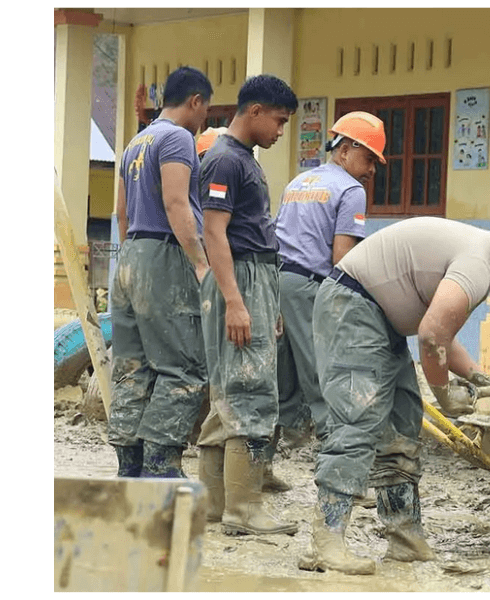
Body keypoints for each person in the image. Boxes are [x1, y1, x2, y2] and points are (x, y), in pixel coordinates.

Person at [298, 217, 490, 575]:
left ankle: (404, 538)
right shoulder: (477, 265)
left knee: (402, 422)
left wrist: (479, 376)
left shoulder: (480, 253)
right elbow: (431, 336)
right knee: (358, 421)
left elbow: (441, 334)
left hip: (378, 317)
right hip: (352, 306)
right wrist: (444, 394)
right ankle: (324, 543)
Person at [195, 74, 299, 537]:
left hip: (254, 278)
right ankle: (244, 510)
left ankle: (214, 506)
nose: (280, 130)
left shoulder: (241, 159)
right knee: (251, 392)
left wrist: (266, 302)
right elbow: (214, 232)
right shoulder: (224, 160)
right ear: (254, 111)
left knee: (228, 394)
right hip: (240, 276)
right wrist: (236, 302)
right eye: (278, 120)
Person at [271, 111, 387, 494]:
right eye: (369, 159)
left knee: (280, 381)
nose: (371, 170)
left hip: (279, 283)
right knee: (326, 379)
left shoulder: (299, 181)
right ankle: (341, 479)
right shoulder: (351, 190)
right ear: (346, 149)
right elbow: (343, 258)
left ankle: (256, 470)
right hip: (311, 290)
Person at [107, 66, 212, 479]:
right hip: (164, 254)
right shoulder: (177, 138)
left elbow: (121, 212)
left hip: (131, 253)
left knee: (132, 366)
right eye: (205, 110)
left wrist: (131, 257)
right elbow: (176, 203)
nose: (203, 119)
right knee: (182, 366)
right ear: (195, 101)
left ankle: (129, 467)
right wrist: (200, 262)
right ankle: (161, 465)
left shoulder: (136, 142)